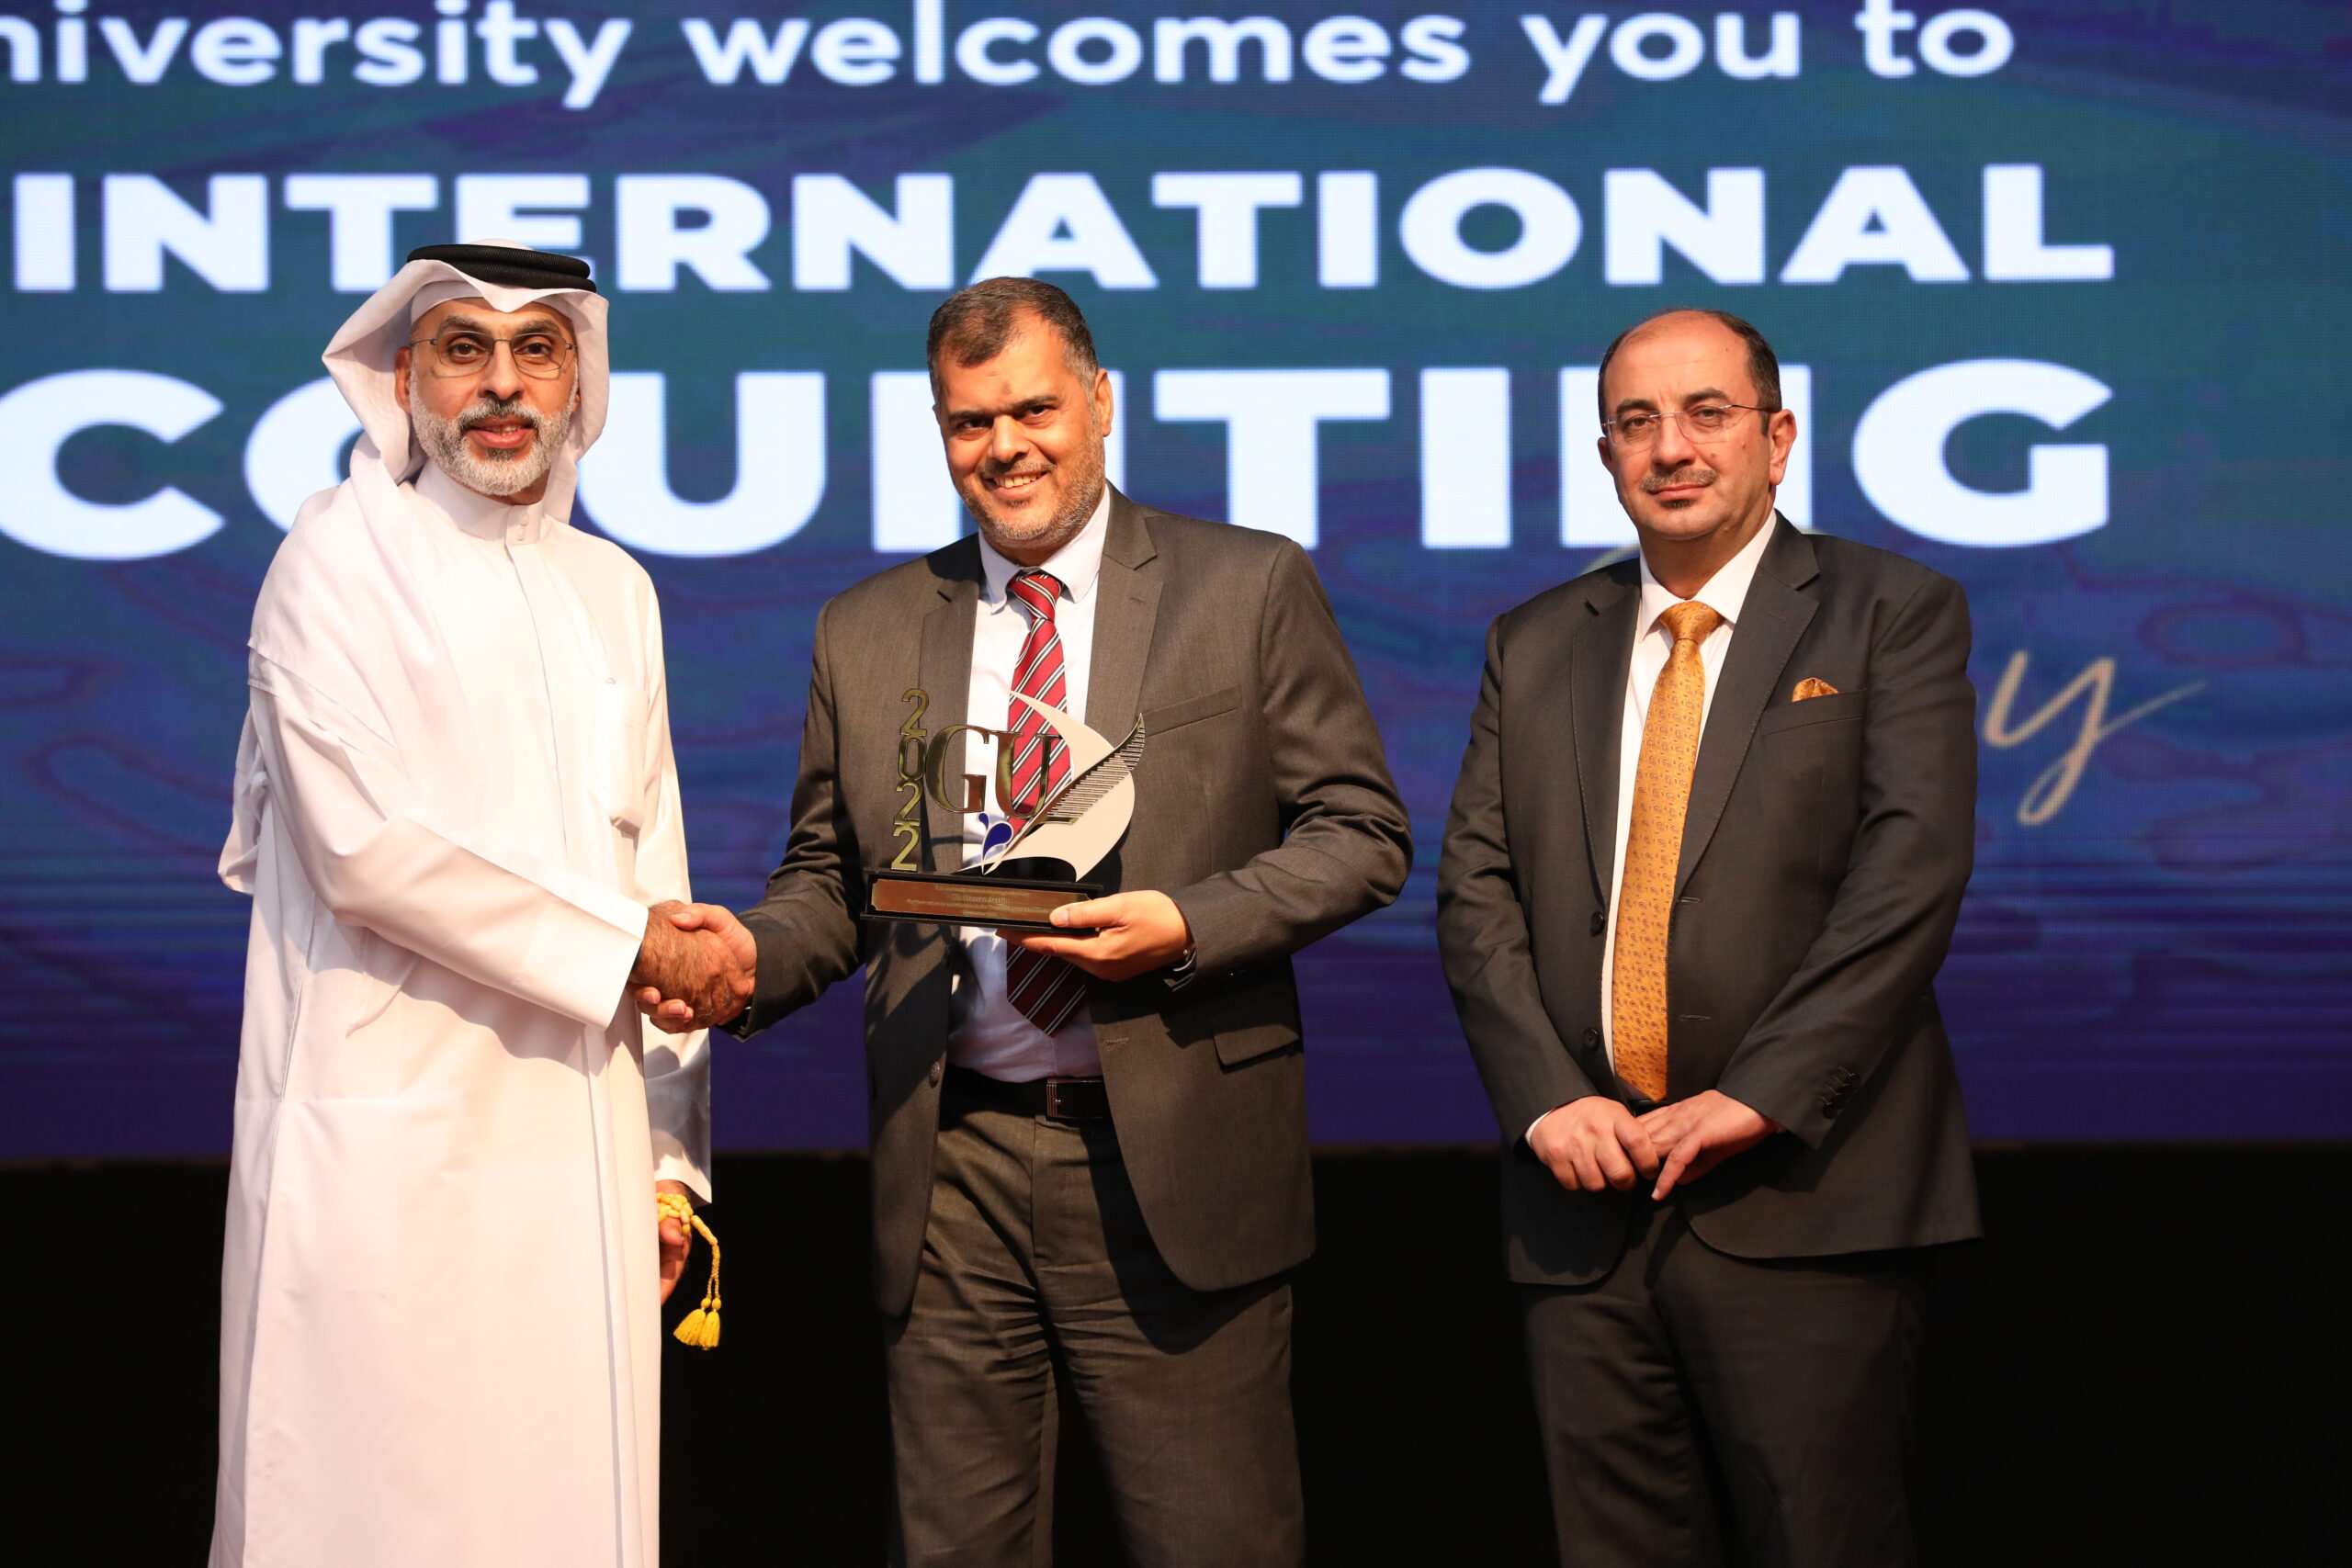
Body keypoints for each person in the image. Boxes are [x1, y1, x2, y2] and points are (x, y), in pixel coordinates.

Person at [640, 276, 1411, 1567]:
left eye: (1034, 410)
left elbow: (1361, 834)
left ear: (1101, 403)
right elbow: (837, 879)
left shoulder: (1247, 585)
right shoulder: (868, 628)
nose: (1004, 447)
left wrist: (1188, 923)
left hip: (1172, 1161)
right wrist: (749, 958)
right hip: (953, 1171)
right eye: (969, 421)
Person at [213, 242, 735, 1568]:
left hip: (586, 1154)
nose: (503, 384)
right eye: (464, 349)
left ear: (577, 382)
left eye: (536, 350)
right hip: (389, 1152)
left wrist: (669, 1163)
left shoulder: (617, 591)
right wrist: (632, 947)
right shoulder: (335, 560)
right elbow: (363, 850)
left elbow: (658, 874)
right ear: (405, 381)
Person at [1436, 307, 1981, 1566]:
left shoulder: (1890, 610)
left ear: (1777, 439)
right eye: (1636, 422)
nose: (1670, 447)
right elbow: (1475, 889)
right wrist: (1544, 1100)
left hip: (1804, 1196)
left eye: (1705, 414)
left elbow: (1909, 875)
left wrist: (1761, 1094)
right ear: (1605, 455)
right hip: (1581, 1205)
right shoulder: (1533, 641)